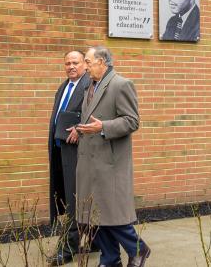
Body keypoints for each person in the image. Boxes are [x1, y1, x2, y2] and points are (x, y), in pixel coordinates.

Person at [75, 46, 150, 267]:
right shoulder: (90, 86)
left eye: (88, 62)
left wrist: (103, 127)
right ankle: (110, 260)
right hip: (90, 161)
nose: (85, 67)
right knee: (96, 216)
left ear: (102, 62)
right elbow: (90, 119)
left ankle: (139, 249)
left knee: (113, 214)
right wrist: (79, 128)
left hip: (110, 163)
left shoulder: (121, 84)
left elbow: (132, 121)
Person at [47, 50, 91, 266]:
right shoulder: (64, 86)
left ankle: (67, 248)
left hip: (77, 152)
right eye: (67, 63)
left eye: (75, 62)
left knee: (74, 201)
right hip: (59, 150)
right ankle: (97, 241)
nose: (71, 66)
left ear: (85, 64)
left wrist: (80, 129)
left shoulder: (90, 86)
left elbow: (97, 115)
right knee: (66, 198)